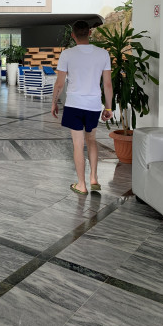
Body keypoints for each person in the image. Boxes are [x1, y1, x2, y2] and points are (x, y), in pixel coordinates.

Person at [51, 20, 113, 195]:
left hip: (74, 105)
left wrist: (54, 102)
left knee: (78, 145)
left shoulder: (67, 54)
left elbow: (59, 83)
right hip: (93, 105)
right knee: (91, 140)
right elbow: (107, 84)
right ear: (90, 33)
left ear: (73, 35)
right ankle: (94, 178)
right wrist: (108, 108)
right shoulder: (103, 54)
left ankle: (81, 185)